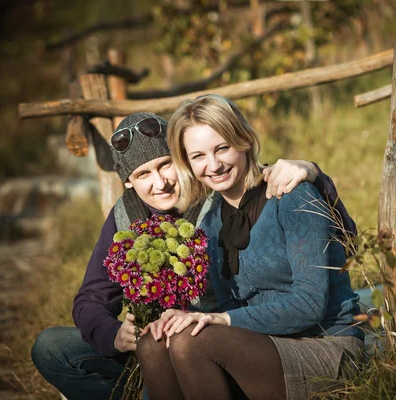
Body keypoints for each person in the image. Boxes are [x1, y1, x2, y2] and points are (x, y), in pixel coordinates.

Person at [30, 111, 355, 400]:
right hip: (189, 337)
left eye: (165, 164)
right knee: (58, 346)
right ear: (128, 182)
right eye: (143, 175)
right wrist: (112, 334)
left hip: (226, 337)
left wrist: (313, 172)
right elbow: (91, 297)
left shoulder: (217, 195)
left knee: (182, 343)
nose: (161, 183)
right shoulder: (128, 216)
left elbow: (333, 237)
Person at [136, 95, 364, 400]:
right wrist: (180, 314)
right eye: (199, 156)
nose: (214, 165)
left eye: (222, 148)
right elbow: (221, 306)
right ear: (187, 163)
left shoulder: (292, 194)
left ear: (243, 140)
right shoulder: (211, 223)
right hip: (260, 344)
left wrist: (222, 320)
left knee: (190, 342)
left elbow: (310, 304)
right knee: (154, 342)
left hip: (324, 346)